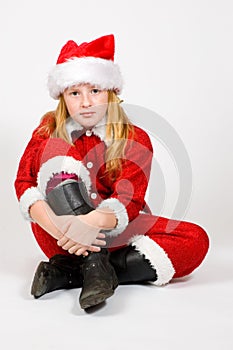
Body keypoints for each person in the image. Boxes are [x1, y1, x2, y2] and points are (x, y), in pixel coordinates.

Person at [14, 34, 209, 310]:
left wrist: (89, 224)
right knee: (55, 150)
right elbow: (24, 184)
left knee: (194, 240)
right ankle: (92, 266)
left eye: (94, 91)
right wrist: (64, 229)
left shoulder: (134, 137)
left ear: (110, 92)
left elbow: (129, 200)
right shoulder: (47, 132)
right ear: (63, 98)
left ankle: (74, 272)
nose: (86, 103)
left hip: (112, 232)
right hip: (61, 236)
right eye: (74, 93)